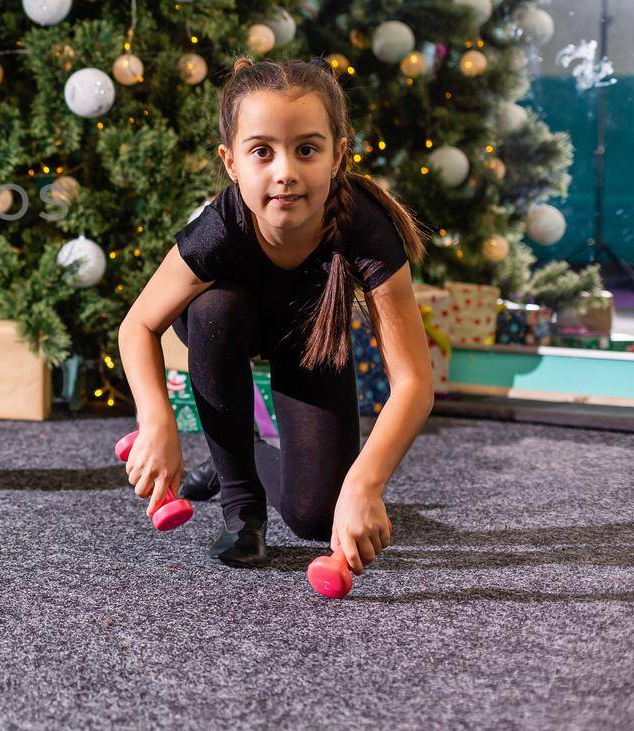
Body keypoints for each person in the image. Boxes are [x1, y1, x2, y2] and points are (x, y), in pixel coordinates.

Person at [117, 57, 433, 574]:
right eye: (262, 151)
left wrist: (363, 483)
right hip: (225, 324)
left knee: (314, 518)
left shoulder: (367, 230)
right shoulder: (220, 228)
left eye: (307, 149)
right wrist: (157, 422)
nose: (285, 172)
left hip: (308, 336)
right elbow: (139, 325)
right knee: (217, 308)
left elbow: (414, 382)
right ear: (231, 162)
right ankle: (242, 508)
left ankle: (240, 457)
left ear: (337, 156)